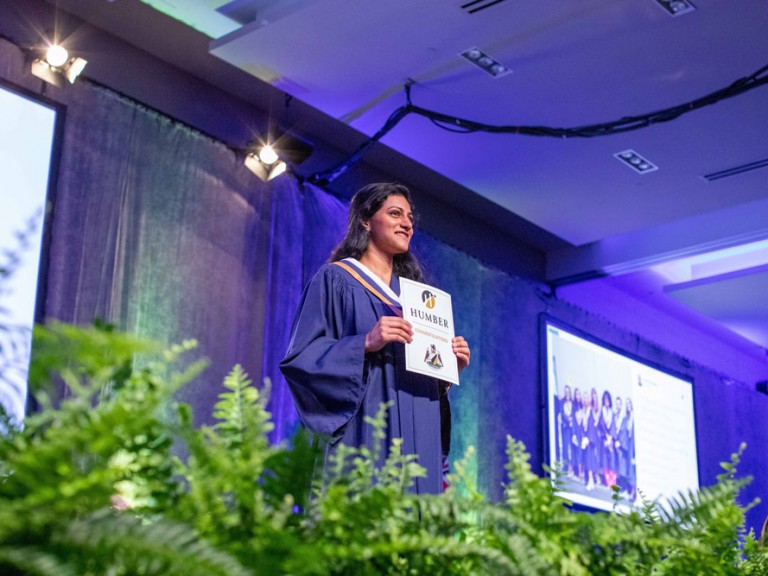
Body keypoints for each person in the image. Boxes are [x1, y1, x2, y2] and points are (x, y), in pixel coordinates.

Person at [279, 182, 471, 495]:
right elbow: (301, 359)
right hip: (366, 433)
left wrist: (446, 375)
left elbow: (424, 377)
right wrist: (364, 343)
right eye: (395, 214)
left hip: (416, 447)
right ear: (366, 221)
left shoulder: (417, 300)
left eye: (409, 217)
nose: (407, 224)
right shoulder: (336, 280)